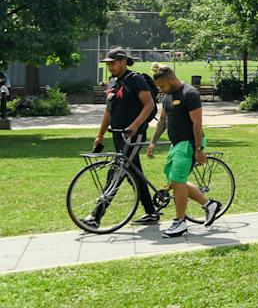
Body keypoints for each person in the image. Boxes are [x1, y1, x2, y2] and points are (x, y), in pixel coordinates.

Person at [84, 48, 159, 228]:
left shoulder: (135, 80)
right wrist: (100, 135)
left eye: (113, 63)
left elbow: (149, 105)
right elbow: (109, 111)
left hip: (134, 134)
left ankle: (96, 216)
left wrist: (134, 125)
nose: (110, 67)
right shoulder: (113, 83)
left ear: (124, 61)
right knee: (133, 172)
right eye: (108, 64)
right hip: (118, 135)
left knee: (117, 170)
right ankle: (151, 211)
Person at [148, 66, 221, 238]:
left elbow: (197, 124)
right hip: (177, 144)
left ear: (172, 80)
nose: (160, 90)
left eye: (162, 86)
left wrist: (199, 149)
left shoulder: (190, 94)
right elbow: (163, 121)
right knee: (175, 181)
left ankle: (179, 223)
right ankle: (209, 205)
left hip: (189, 143)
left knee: (178, 181)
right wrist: (153, 141)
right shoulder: (167, 96)